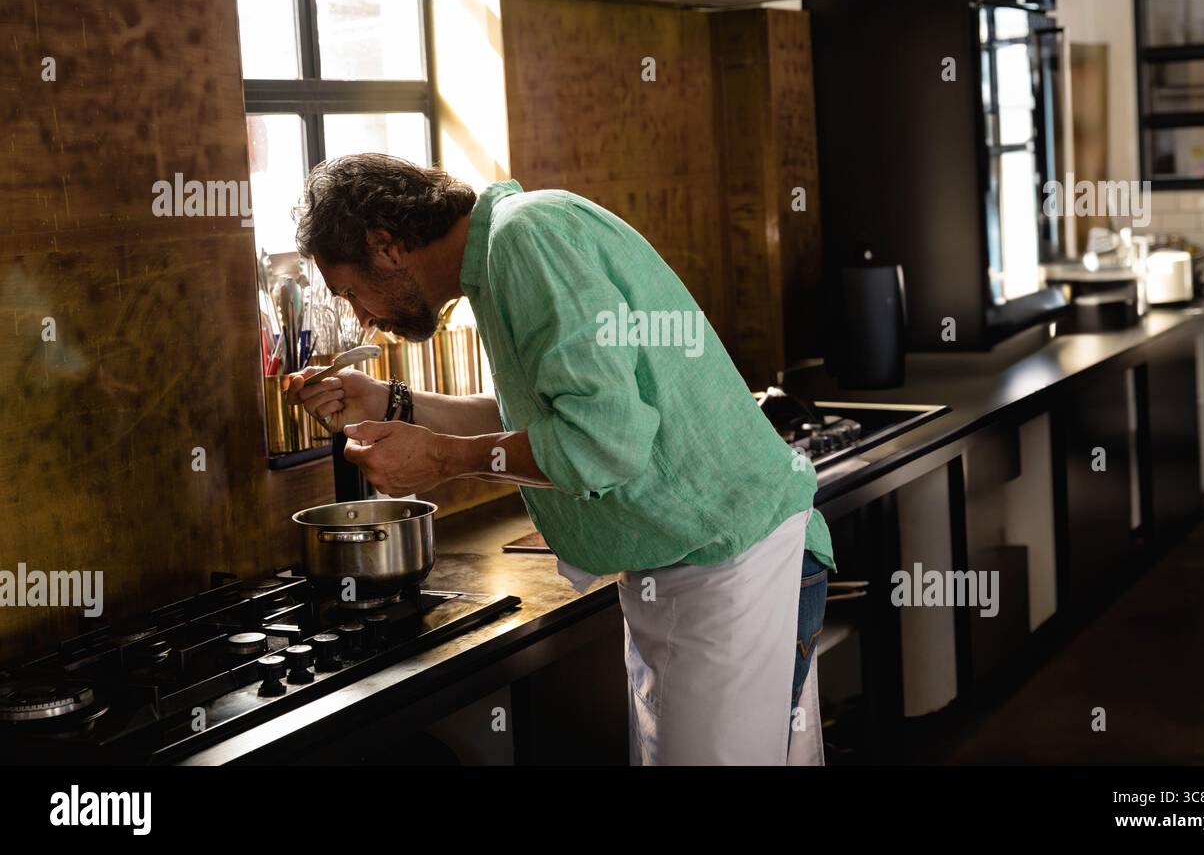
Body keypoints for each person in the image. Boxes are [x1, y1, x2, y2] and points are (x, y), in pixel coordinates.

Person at [286, 153, 834, 765]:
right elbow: (543, 417)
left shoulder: (524, 238)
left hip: (728, 567)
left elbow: (602, 439)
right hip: (705, 565)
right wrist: (392, 401)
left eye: (351, 294)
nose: (365, 319)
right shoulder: (502, 252)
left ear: (385, 245)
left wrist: (442, 460)